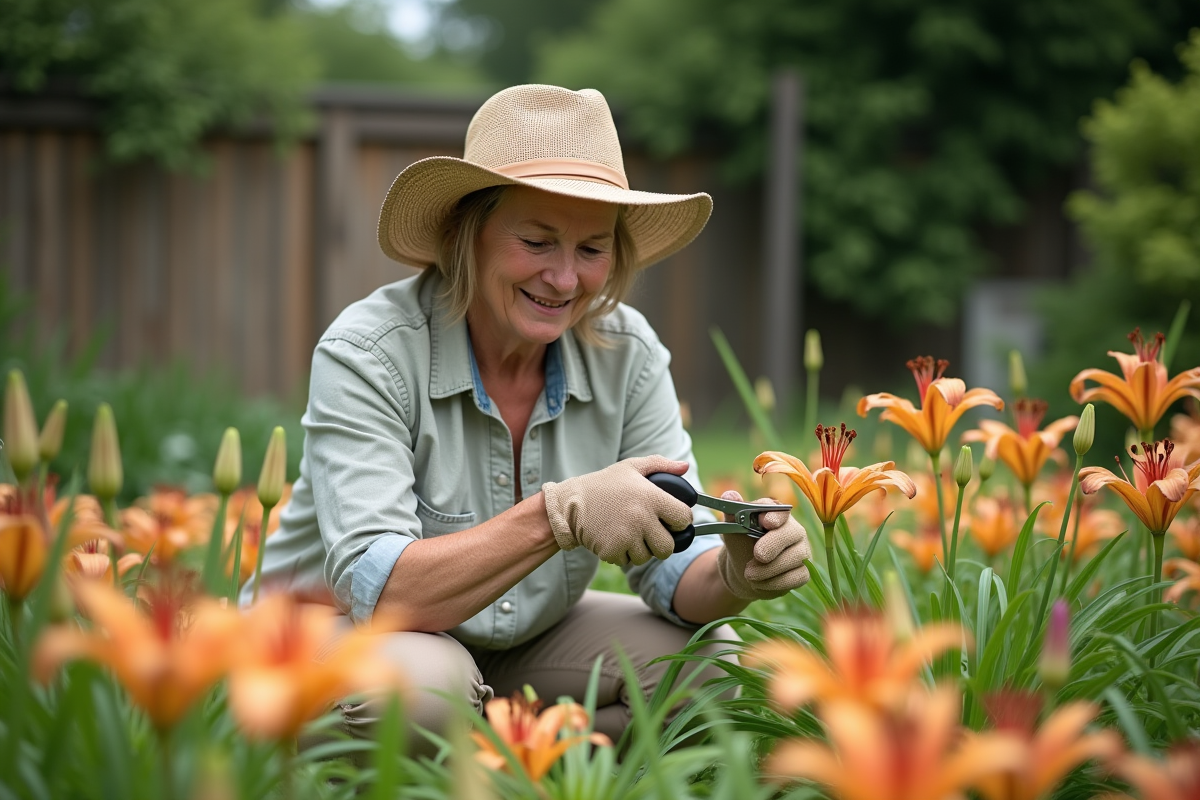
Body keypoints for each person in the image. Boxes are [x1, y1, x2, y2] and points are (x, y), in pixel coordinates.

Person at [246, 84, 811, 750]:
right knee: (421, 692)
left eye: (592, 250)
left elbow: (670, 572)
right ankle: (522, 746)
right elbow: (382, 591)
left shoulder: (627, 354)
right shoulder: (370, 351)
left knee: (712, 667)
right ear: (466, 234)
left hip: (521, 638)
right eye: (538, 242)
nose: (565, 280)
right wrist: (559, 513)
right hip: (340, 630)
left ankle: (504, 750)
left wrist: (733, 576)